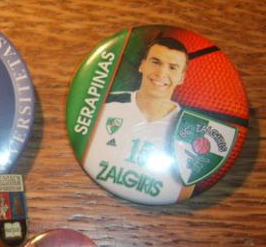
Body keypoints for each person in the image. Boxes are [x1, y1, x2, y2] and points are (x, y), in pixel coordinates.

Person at [83, 37, 194, 204]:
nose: (161, 73)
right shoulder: (103, 106)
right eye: (155, 62)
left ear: (181, 77)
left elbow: (184, 193)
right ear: (142, 65)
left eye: (172, 67)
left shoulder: (191, 132)